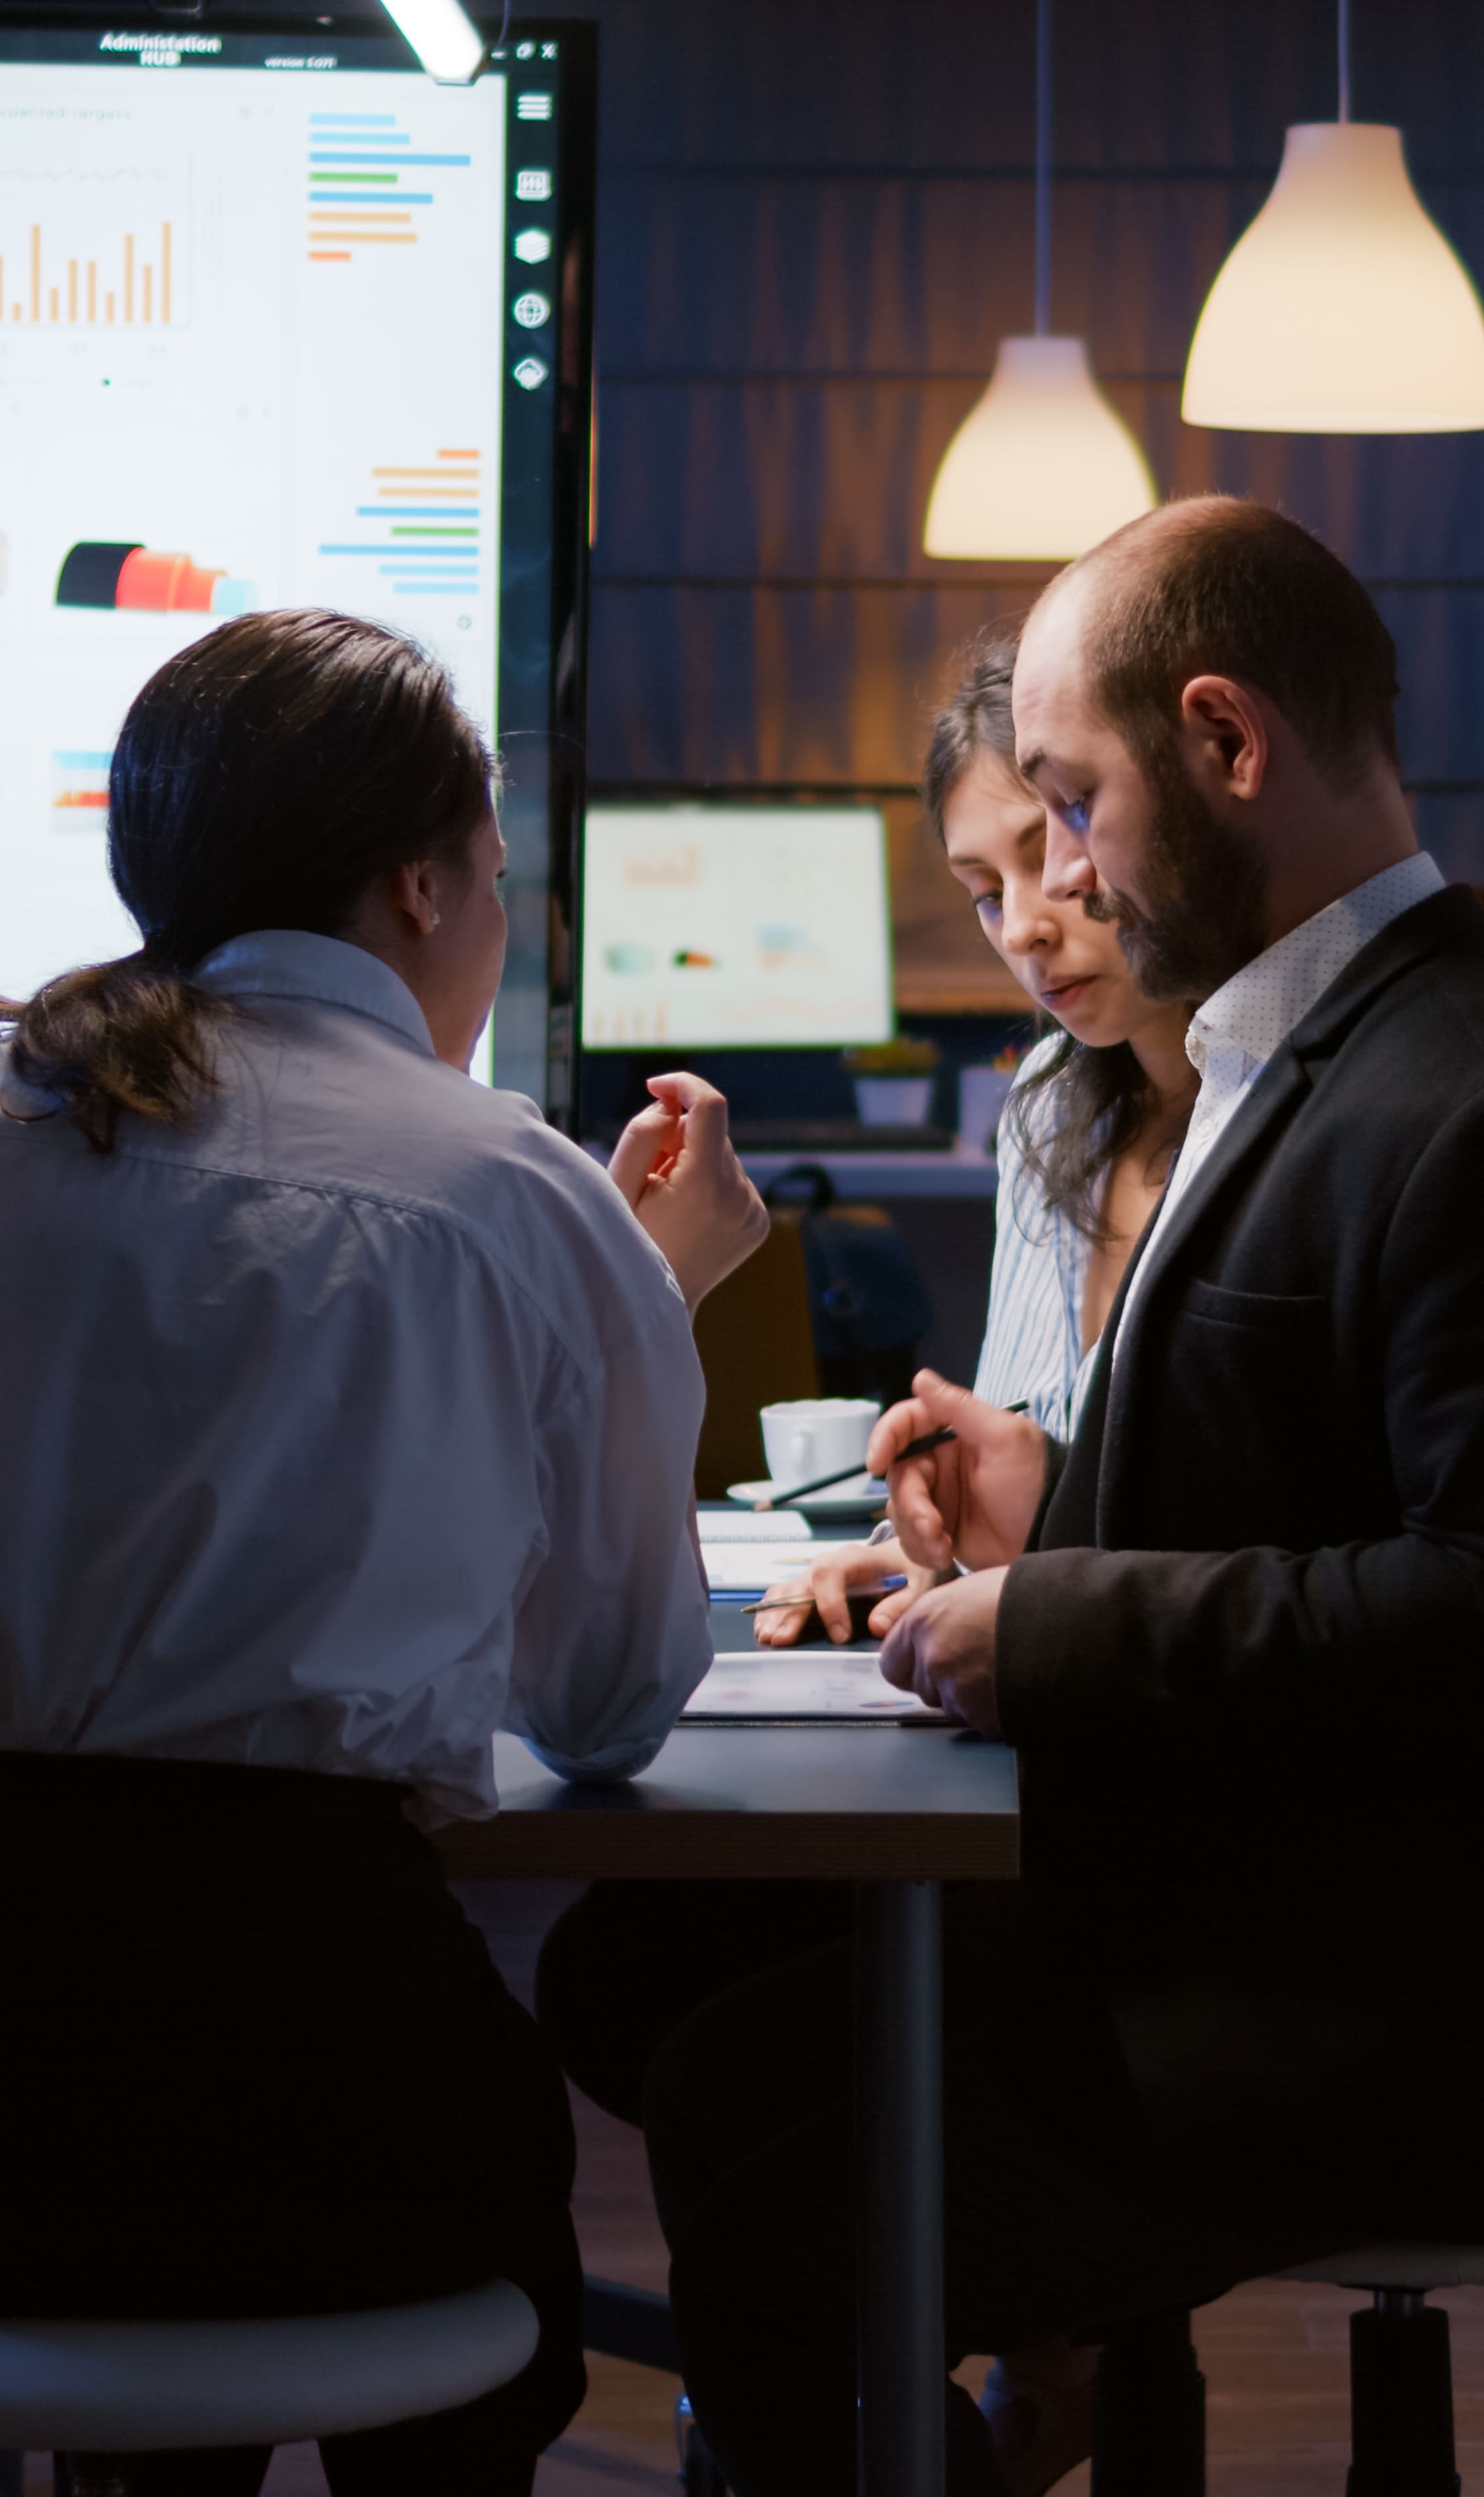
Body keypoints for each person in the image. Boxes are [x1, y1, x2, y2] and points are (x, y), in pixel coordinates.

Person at [630, 497, 1484, 2497]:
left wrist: (1064, 1613)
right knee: (708, 2068)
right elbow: (1315, 1476)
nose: (1064, 874)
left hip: (1351, 2008)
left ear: (1226, 741)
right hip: (1230, 1926)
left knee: (772, 2243)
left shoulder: (1440, 1083)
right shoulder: (1293, 1045)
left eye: (1077, 800)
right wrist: (1066, 1501)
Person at [0, 608, 767, 2496]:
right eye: (497, 877)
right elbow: (606, 1706)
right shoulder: (512, 1190)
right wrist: (644, 1304)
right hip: (328, 2095)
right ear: (421, 884)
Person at [755, 627, 1195, 1647]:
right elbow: (1022, 1447)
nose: (1023, 929)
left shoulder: (1280, 1105)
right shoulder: (1046, 1099)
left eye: (1047, 856)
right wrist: (921, 1545)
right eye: (985, 892)